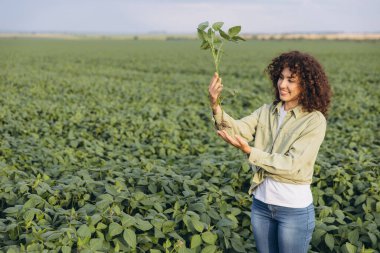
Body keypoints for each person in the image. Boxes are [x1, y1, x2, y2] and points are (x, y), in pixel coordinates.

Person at [208, 50, 332, 253]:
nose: (283, 85)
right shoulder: (267, 111)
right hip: (262, 206)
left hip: (293, 210)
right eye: (281, 78)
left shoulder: (314, 120)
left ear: (306, 85)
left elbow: (292, 164)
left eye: (291, 80)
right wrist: (215, 104)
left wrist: (251, 151)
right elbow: (238, 130)